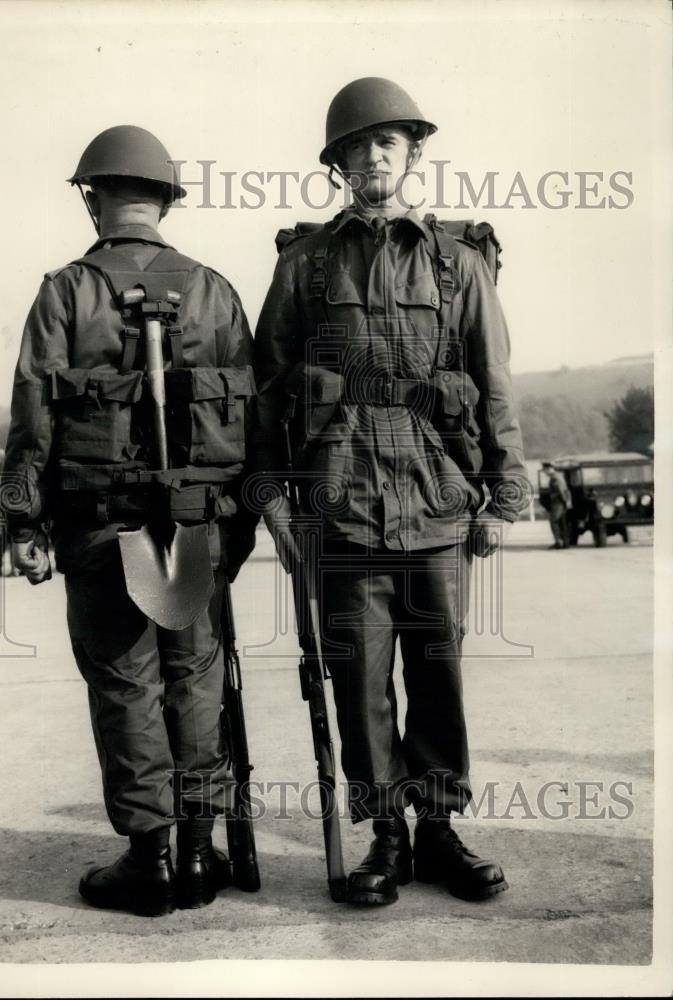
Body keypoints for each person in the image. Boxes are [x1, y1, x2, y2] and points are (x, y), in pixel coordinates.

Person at [253, 78, 528, 906]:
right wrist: (272, 503)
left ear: (412, 156)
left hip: (438, 504)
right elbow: (265, 391)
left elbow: (494, 380)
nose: (373, 156)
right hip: (338, 506)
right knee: (358, 679)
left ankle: (439, 831)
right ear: (335, 161)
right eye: (357, 145)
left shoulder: (460, 262)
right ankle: (385, 836)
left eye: (389, 143)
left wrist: (504, 497)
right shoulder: (302, 268)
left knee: (437, 676)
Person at [0, 125, 256, 917]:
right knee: (196, 679)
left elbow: (32, 419)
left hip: (99, 525)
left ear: (94, 199)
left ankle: (149, 860)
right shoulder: (215, 289)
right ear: (165, 200)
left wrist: (22, 524)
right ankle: (201, 852)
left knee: (124, 684)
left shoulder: (65, 291)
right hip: (196, 526)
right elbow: (253, 422)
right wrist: (232, 531)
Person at [541, 461, 572, 549]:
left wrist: (565, 502)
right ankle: (565, 543)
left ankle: (558, 542)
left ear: (549, 469)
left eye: (545, 470)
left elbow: (561, 491)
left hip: (558, 503)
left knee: (554, 521)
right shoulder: (557, 476)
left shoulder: (555, 478)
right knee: (562, 523)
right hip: (561, 502)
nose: (545, 472)